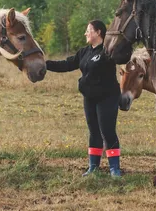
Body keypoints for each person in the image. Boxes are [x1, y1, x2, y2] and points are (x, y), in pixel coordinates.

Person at [45, 20, 121, 177]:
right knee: (93, 132)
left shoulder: (108, 52)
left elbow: (122, 57)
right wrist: (44, 65)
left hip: (107, 97)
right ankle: (93, 167)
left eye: (89, 30)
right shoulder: (84, 52)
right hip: (89, 98)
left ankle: (114, 168)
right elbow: (66, 64)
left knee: (107, 131)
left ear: (98, 32)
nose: (86, 33)